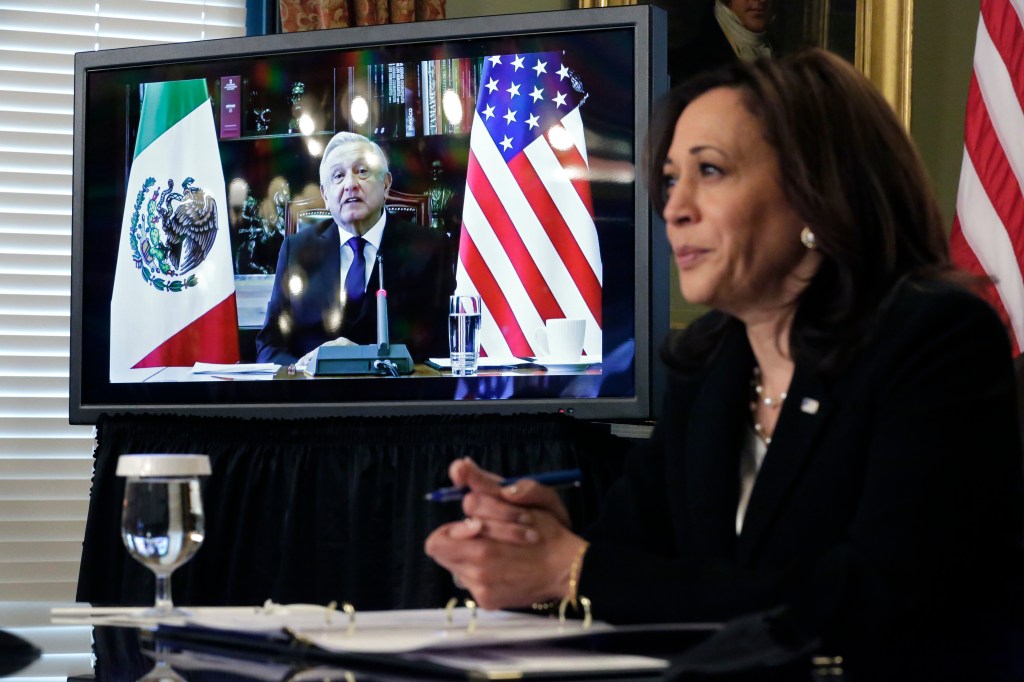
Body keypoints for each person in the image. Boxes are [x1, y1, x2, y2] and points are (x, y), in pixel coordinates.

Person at [425, 49, 1024, 671]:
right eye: (670, 180)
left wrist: (575, 567)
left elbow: (873, 599)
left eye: (709, 171)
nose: (674, 209)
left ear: (815, 192)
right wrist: (541, 534)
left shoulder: (935, 340)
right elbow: (631, 564)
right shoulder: (711, 366)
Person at [255, 132, 454, 364]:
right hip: (315, 396)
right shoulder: (296, 251)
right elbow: (269, 346)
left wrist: (363, 358)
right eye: (338, 176)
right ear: (325, 196)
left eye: (362, 172)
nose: (350, 184)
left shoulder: (430, 250)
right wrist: (303, 369)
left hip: (396, 395)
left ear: (386, 184)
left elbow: (443, 350)